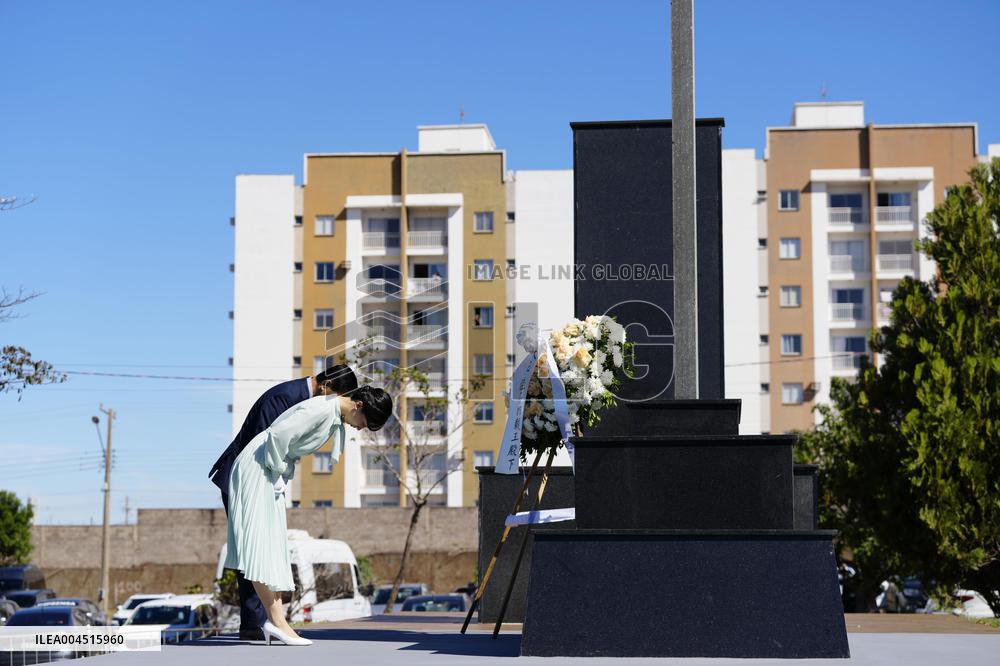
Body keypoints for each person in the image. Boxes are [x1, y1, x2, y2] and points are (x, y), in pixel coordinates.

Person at [225, 385, 392, 646]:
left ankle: (277, 622)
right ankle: (277, 622)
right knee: (258, 546)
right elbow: (279, 435)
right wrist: (278, 469)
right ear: (359, 406)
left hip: (267, 468)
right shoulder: (324, 410)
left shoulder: (331, 413)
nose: (360, 428)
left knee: (271, 547)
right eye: (365, 423)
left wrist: (280, 472)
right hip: (259, 467)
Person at [208, 364, 358, 640]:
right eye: (337, 396)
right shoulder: (285, 396)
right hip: (244, 476)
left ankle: (259, 624)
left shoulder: (304, 399)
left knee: (257, 547)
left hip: (264, 477)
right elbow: (261, 440)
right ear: (326, 385)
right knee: (251, 548)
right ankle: (257, 624)